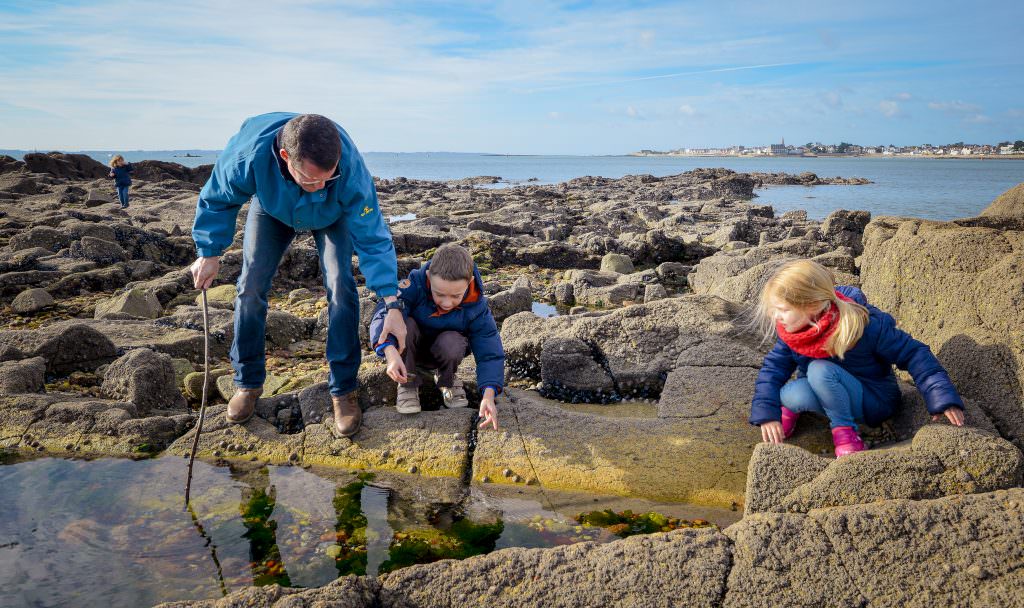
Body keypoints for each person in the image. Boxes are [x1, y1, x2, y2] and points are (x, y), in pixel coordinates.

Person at [189, 112, 407, 438]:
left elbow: (373, 236)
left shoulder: (349, 170)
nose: (318, 185)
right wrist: (209, 252)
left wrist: (391, 301)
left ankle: (343, 391)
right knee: (249, 287)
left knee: (341, 287)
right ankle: (247, 382)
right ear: (285, 157)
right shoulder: (249, 154)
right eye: (310, 179)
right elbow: (218, 198)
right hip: (273, 210)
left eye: (327, 178)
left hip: (331, 215)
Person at [749, 259, 965, 457]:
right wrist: (768, 414)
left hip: (873, 400)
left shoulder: (864, 324)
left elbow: (913, 353)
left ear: (812, 306)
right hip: (829, 393)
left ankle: (845, 432)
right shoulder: (794, 332)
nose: (775, 316)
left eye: (782, 310)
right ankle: (795, 411)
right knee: (791, 395)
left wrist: (941, 397)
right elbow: (773, 369)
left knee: (819, 370)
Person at [368, 243, 502, 430]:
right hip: (409, 350)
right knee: (404, 322)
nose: (447, 303)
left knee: (452, 341)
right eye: (440, 294)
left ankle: (446, 379)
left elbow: (490, 352)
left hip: (446, 353)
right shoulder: (413, 285)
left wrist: (488, 396)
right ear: (429, 276)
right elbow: (382, 315)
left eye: (456, 295)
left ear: (469, 282)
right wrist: (389, 353)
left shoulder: (476, 305)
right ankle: (408, 383)